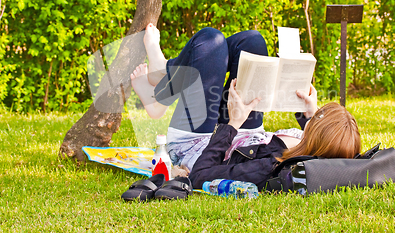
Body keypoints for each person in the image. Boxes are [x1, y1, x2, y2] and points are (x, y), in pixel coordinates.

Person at [131, 24, 361, 189]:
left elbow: (201, 175)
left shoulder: (269, 167)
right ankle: (164, 74)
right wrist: (308, 113)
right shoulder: (315, 145)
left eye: (318, 116)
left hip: (198, 144)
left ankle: (160, 88)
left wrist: (234, 123)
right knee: (252, 41)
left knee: (211, 39)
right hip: (245, 131)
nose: (316, 114)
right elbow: (339, 145)